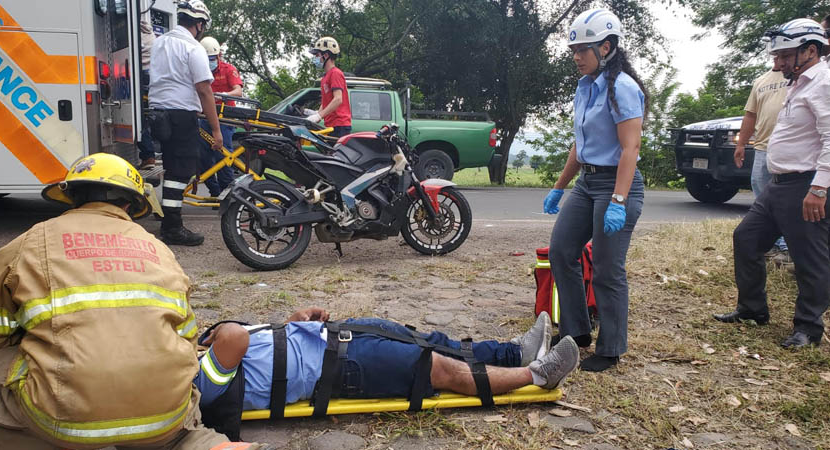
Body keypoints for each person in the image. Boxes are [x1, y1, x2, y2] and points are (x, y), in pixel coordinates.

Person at [0, 154, 263, 449]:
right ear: (130, 205)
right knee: (178, 434)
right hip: (164, 416)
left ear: (71, 197)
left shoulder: (27, 244)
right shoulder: (160, 251)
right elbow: (186, 337)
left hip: (64, 421)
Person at [195, 310, 578, 434]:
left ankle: (513, 352)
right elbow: (232, 339)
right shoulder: (198, 383)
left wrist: (294, 320)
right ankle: (538, 374)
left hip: (328, 339)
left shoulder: (200, 360)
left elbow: (251, 344)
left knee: (421, 338)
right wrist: (211, 335)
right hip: (339, 369)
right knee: (436, 369)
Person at [541, 8, 647, 372]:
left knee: (606, 268)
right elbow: (580, 144)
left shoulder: (624, 88)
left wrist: (618, 200)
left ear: (606, 47)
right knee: (561, 251)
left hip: (618, 184)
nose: (576, 57)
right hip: (588, 182)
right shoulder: (585, 88)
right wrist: (559, 187)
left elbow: (630, 149)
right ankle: (577, 332)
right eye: (573, 50)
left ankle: (611, 348)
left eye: (582, 50)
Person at [714, 19, 830, 349]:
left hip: (805, 184)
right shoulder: (797, 82)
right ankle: (752, 309)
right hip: (779, 184)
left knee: (809, 257)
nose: (777, 64)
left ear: (810, 51)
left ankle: (808, 328)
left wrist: (819, 189)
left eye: (784, 56)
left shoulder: (823, 82)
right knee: (747, 238)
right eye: (776, 56)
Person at [149, 0, 222, 246]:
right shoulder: (193, 48)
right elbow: (204, 89)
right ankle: (172, 228)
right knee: (180, 172)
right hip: (181, 116)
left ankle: (169, 222)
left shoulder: (159, 43)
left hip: (159, 114)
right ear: (199, 24)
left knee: (172, 169)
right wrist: (215, 129)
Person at [733, 55, 789, 262]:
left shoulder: (797, 76)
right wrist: (741, 144)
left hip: (788, 149)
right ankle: (770, 244)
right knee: (762, 196)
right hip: (762, 148)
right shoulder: (761, 81)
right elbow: (750, 115)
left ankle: (785, 247)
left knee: (785, 199)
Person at [198, 36, 241, 196]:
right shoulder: (199, 70)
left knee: (222, 157)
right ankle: (215, 192)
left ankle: (228, 194)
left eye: (212, 58)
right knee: (203, 158)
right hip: (204, 118)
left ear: (218, 56)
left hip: (224, 119)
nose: (210, 62)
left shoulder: (228, 69)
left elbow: (238, 91)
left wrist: (224, 95)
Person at [307, 37, 352, 138]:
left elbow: (338, 99)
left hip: (339, 125)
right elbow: (326, 102)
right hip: (331, 124)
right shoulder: (325, 77)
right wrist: (316, 115)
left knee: (336, 153)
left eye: (317, 55)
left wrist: (319, 115)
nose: (315, 58)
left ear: (326, 55)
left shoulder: (335, 73)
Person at [138, 12, 158, 170]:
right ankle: (149, 155)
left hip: (143, 77)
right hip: (152, 78)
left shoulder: (136, 36)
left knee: (140, 119)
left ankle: (148, 156)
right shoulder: (151, 35)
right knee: (145, 120)